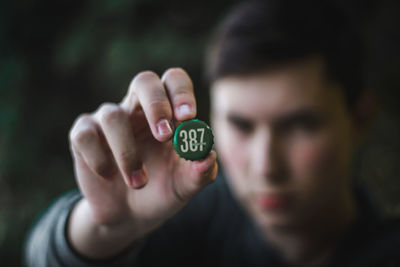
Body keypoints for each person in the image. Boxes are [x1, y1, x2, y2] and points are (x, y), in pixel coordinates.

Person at [24, 0, 400, 266]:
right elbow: (38, 257)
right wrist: (109, 228)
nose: (266, 166)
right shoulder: (177, 221)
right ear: (214, 119)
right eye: (240, 125)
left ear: (359, 120)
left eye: (300, 126)